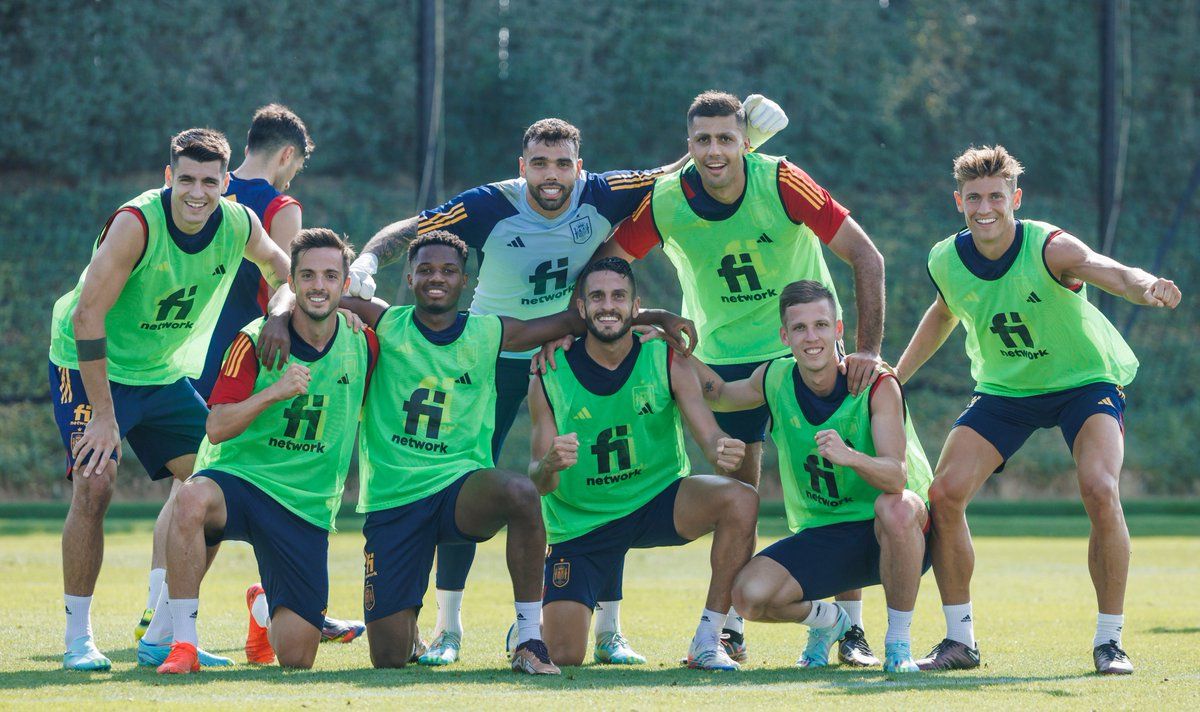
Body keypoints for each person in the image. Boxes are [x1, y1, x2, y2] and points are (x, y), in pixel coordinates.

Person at [344, 98, 786, 665]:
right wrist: (370, 261)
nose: (550, 176)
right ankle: (449, 625)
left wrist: (744, 137)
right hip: (490, 350)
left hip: (574, 343)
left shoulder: (602, 193)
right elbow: (416, 227)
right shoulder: (490, 204)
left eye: (562, 164)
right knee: (464, 474)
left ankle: (612, 626)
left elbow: (680, 172)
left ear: (580, 167)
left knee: (612, 469)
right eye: (539, 164)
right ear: (521, 165)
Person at [594, 90, 887, 663]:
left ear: (745, 142)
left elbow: (866, 255)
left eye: (726, 138)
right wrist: (652, 316)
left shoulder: (780, 180)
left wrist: (868, 351)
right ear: (688, 147)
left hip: (806, 351)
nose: (714, 150)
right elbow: (608, 267)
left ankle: (849, 630)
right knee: (741, 499)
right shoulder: (667, 201)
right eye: (702, 140)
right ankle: (728, 628)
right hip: (725, 362)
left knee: (837, 490)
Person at [893, 145, 1181, 674]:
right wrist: (895, 376)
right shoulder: (945, 259)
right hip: (1005, 389)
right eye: (974, 197)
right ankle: (960, 642)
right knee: (944, 493)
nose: (985, 207)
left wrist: (1147, 286)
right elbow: (943, 312)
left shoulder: (1050, 247)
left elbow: (1110, 271)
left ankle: (1109, 642)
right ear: (959, 201)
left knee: (1100, 486)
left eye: (996, 197)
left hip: (1083, 381)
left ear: (1015, 199)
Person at [340, 230, 682, 673]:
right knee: (388, 658)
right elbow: (319, 299)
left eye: (448, 270)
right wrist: (278, 316)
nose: (436, 278)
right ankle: (410, 627)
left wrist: (652, 317)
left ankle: (528, 638)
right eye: (425, 269)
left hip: (457, 488)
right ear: (408, 277)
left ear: (466, 281)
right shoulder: (386, 322)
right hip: (394, 500)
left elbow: (577, 321)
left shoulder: (488, 332)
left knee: (521, 491)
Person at [49, 128, 293, 671]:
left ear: (227, 183)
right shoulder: (135, 225)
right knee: (96, 480)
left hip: (158, 374)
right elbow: (88, 317)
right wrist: (105, 419)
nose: (197, 192)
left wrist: (279, 313)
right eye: (186, 179)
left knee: (214, 487)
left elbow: (286, 271)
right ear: (169, 178)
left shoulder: (239, 224)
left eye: (210, 181)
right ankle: (76, 639)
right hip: (88, 364)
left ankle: (162, 635)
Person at [155, 229, 373, 673]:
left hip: (304, 505)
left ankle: (261, 613)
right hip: (241, 480)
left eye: (331, 276)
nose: (319, 285)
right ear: (290, 282)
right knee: (191, 495)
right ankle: (183, 644)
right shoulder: (254, 339)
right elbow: (215, 428)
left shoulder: (364, 343)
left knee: (297, 658)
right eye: (308, 275)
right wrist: (274, 393)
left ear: (345, 285)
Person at [528, 257, 758, 670]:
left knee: (740, 499)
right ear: (581, 309)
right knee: (563, 654)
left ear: (637, 307)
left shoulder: (665, 356)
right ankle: (527, 631)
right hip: (584, 521)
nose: (608, 306)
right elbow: (538, 481)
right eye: (596, 297)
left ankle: (709, 640)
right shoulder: (549, 370)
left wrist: (725, 448)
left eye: (619, 296)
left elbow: (709, 437)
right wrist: (548, 464)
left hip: (657, 499)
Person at [690, 280, 932, 672]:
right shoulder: (774, 378)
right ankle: (831, 623)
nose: (811, 337)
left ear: (838, 330)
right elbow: (718, 393)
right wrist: (672, 345)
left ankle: (899, 647)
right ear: (785, 336)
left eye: (821, 325)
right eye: (799, 328)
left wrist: (849, 456)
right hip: (826, 534)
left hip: (890, 532)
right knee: (748, 596)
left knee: (898, 507)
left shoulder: (876, 384)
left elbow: (895, 477)